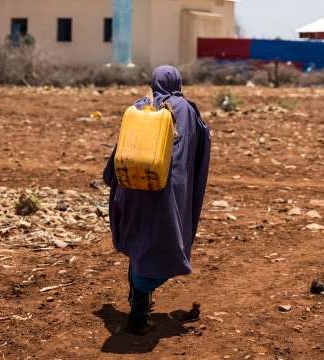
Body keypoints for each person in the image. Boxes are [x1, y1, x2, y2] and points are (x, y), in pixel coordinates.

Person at [103, 65, 211, 334]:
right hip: (166, 194)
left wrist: (112, 178)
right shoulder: (186, 109)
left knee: (140, 242)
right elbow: (200, 145)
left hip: (133, 190)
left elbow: (120, 150)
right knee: (163, 245)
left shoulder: (140, 105)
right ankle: (139, 309)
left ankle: (139, 305)